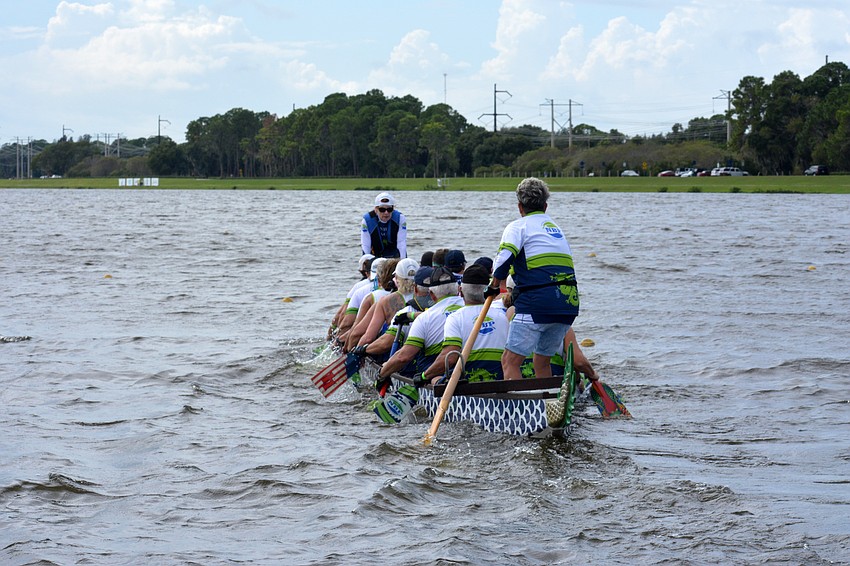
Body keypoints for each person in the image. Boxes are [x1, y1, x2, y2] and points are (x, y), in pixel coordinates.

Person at [486, 177, 580, 380]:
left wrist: (494, 285)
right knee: (541, 361)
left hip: (537, 302)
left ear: (520, 207)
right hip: (568, 304)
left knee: (510, 361)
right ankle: (547, 405)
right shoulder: (557, 228)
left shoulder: (518, 227)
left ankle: (518, 410)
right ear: (545, 206)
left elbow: (503, 259)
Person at [419, 264, 509, 384]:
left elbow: (450, 358)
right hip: (498, 384)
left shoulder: (455, 318)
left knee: (433, 378)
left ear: (460, 291)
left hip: (467, 386)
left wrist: (424, 376)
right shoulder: (502, 317)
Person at [376, 267, 464, 383]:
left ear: (432, 294)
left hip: (436, 376)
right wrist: (411, 316)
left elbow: (403, 357)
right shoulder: (475, 309)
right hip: (471, 370)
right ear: (458, 289)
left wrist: (382, 374)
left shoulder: (424, 318)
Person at [328, 254, 374, 339]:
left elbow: (341, 315)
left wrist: (332, 337)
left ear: (365, 272)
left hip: (360, 333)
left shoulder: (359, 288)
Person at [361, 192, 407, 258]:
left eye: (389, 209)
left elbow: (401, 242)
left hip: (394, 254)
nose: (386, 213)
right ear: (376, 210)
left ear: (393, 209)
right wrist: (365, 261)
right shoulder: (367, 220)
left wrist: (403, 261)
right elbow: (366, 245)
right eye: (382, 209)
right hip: (375, 255)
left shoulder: (400, 218)